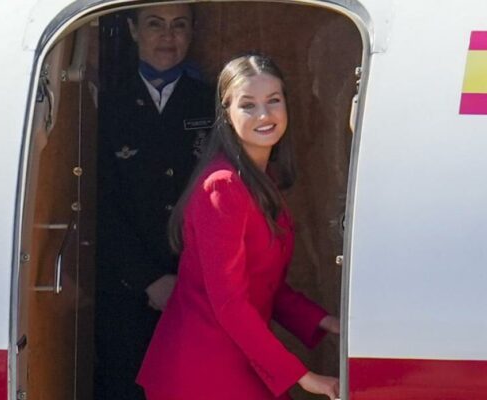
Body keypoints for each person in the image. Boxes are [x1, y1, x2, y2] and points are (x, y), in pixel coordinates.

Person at [136, 54, 341, 400]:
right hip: (203, 371)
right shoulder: (223, 186)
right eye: (248, 105)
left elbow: (266, 286)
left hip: (236, 360)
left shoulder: (261, 181)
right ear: (227, 115)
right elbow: (230, 303)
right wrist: (303, 376)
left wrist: (329, 323)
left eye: (273, 100)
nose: (265, 115)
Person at [95, 4, 214, 400]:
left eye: (179, 26)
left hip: (199, 287)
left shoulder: (215, 104)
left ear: (192, 33)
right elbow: (100, 203)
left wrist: (194, 279)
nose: (168, 36)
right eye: (155, 25)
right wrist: (148, 279)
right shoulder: (106, 107)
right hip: (128, 290)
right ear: (132, 31)